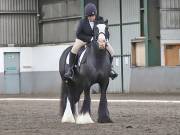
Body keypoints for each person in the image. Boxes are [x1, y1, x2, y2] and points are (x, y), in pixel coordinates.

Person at [64, 3, 118, 80]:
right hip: (84, 39)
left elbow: (106, 31)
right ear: (87, 16)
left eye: (92, 16)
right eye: (89, 16)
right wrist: (90, 39)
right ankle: (70, 70)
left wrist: (106, 39)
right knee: (74, 49)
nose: (91, 17)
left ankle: (110, 69)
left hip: (99, 40)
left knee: (112, 52)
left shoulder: (100, 20)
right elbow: (78, 34)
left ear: (95, 14)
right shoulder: (83, 22)